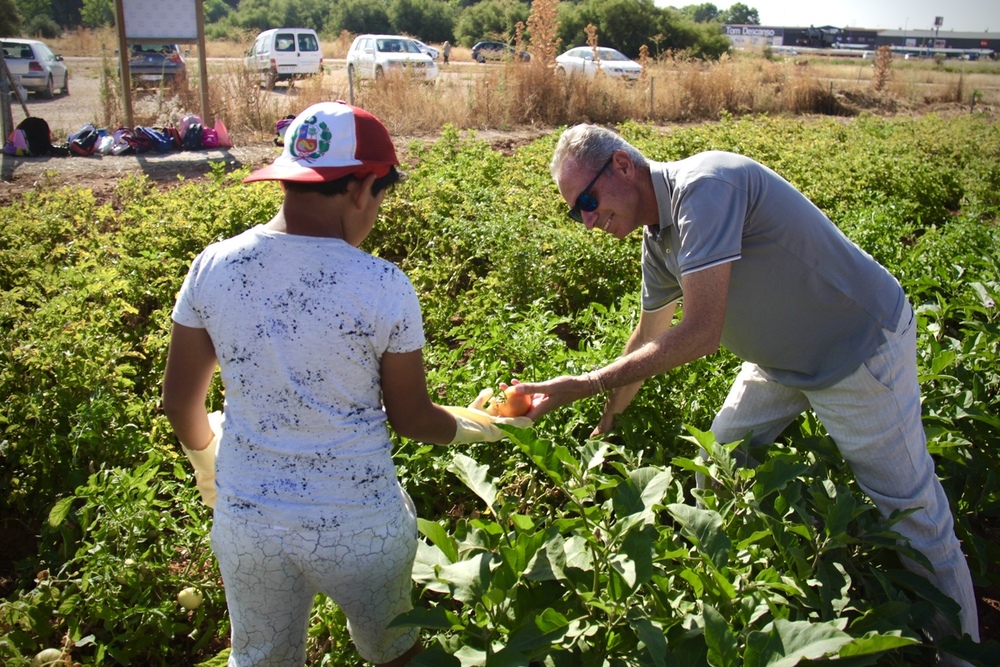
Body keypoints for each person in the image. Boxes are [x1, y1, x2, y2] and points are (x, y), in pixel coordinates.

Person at [512, 124, 980, 661]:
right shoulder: (657, 241)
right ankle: (733, 597)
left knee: (914, 513)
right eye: (577, 212)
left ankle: (962, 653)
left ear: (621, 165)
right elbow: (648, 336)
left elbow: (701, 332)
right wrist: (604, 425)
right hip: (782, 364)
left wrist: (587, 382)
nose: (589, 220)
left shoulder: (707, 187)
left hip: (857, 352)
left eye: (588, 200)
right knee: (720, 463)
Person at [162, 101, 530, 667]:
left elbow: (179, 402)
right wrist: (487, 426)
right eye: (380, 198)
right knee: (394, 652)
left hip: (249, 527)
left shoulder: (215, 265)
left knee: (259, 659)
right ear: (363, 188)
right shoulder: (383, 285)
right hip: (361, 528)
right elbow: (412, 419)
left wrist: (209, 467)